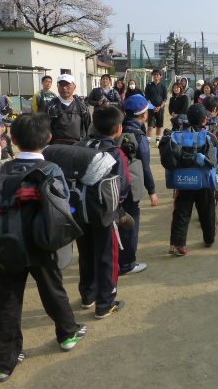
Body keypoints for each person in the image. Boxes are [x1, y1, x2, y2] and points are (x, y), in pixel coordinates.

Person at [0, 113, 87, 382]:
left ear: (13, 139)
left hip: (6, 244)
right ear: (49, 138)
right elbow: (62, 204)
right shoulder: (51, 169)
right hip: (42, 243)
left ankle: (5, 362)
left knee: (7, 301)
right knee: (53, 289)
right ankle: (67, 334)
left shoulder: (2, 170)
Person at [75, 105, 130, 318]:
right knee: (107, 257)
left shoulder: (81, 146)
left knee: (86, 254)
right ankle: (105, 303)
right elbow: (123, 187)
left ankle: (87, 296)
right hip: (105, 214)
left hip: (79, 211)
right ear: (118, 128)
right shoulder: (115, 153)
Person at [169, 104, 218, 256]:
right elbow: (215, 160)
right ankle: (209, 238)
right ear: (205, 120)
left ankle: (177, 244)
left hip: (183, 181)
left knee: (181, 213)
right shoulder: (210, 136)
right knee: (207, 211)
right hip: (204, 182)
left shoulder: (178, 136)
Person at [120, 95, 159, 275]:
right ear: (144, 115)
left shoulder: (117, 129)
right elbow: (145, 166)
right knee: (130, 224)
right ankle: (127, 264)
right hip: (131, 187)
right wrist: (152, 190)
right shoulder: (139, 137)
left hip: (111, 185)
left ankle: (114, 259)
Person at [44, 74, 91, 145]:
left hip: (78, 146)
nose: (64, 88)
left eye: (68, 85)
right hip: (57, 147)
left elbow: (87, 126)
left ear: (74, 87)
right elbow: (45, 129)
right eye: (61, 85)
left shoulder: (82, 107)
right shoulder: (51, 106)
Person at [144, 69, 167, 145]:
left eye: (157, 74)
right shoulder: (149, 85)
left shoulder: (163, 86)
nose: (156, 76)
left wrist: (160, 107)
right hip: (151, 109)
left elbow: (165, 99)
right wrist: (152, 107)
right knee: (150, 126)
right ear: (152, 76)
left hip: (160, 109)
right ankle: (148, 140)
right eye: (154, 74)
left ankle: (158, 139)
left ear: (160, 76)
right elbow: (147, 98)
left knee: (159, 126)